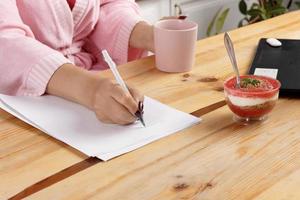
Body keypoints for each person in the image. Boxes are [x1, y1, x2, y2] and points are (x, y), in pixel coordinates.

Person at [0, 0, 155, 125]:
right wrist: (91, 89)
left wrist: (150, 36)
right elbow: (5, 42)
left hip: (97, 81)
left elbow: (106, 5)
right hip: (22, 107)